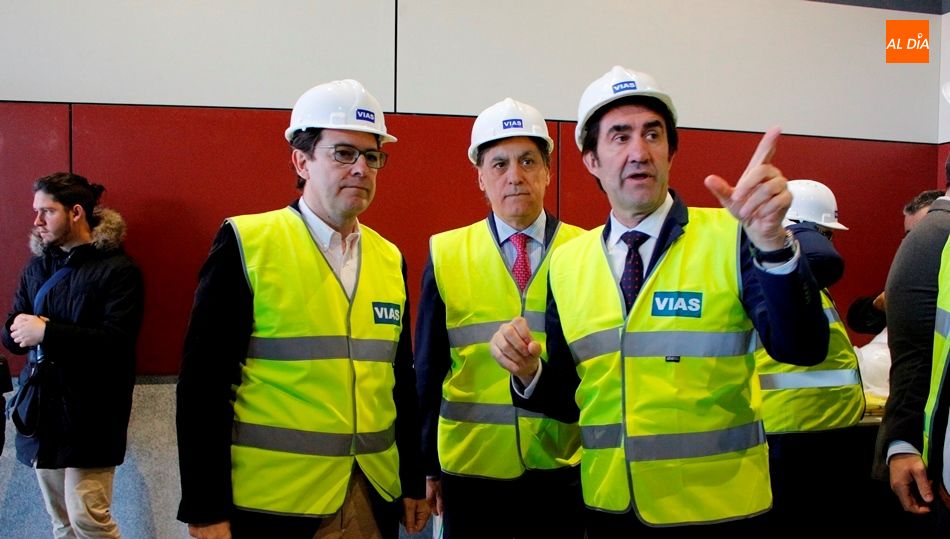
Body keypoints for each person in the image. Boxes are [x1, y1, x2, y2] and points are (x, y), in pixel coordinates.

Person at [489, 66, 828, 534]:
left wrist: (773, 243)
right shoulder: (567, 263)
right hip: (611, 510)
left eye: (652, 134)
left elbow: (803, 349)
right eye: (619, 136)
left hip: (720, 510)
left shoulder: (732, 237)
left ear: (670, 150)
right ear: (591, 160)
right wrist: (529, 374)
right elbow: (575, 399)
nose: (638, 152)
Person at [175, 80, 428, 539]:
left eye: (372, 156)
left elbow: (400, 382)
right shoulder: (248, 243)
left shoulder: (389, 257)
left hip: (372, 494)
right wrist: (205, 508)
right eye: (343, 153)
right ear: (301, 160)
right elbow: (202, 386)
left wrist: (412, 480)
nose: (361, 169)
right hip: (275, 505)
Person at [414, 98, 586, 539]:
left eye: (529, 161)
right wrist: (427, 468)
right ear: (480, 178)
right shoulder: (446, 253)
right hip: (472, 470)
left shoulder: (587, 253)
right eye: (500, 163)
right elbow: (429, 369)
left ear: (548, 172)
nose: (515, 176)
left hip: (561, 467)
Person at [1, 172, 144, 538]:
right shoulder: (37, 268)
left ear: (76, 212)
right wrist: (17, 332)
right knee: (62, 521)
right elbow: (13, 328)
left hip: (91, 414)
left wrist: (47, 332)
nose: (36, 221)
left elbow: (117, 342)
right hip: (42, 413)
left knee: (88, 519)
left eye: (46, 212)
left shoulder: (118, 271)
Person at [754, 179, 864, 531]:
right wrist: (796, 228)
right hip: (792, 431)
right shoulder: (783, 265)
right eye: (826, 231)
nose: (831, 240)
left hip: (823, 429)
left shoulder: (800, 278)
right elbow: (822, 254)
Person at [881, 160, 950, 532]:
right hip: (931, 457)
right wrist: (902, 441)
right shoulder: (938, 235)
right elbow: (915, 353)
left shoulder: (931, 233)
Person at [847, 189, 944, 336]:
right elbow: (858, 318)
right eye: (908, 236)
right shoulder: (913, 275)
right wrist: (879, 304)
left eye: (918, 234)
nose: (908, 243)